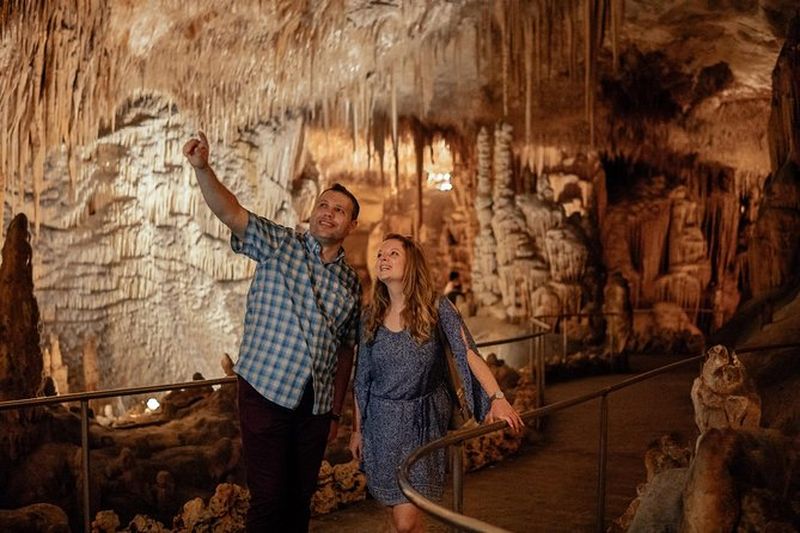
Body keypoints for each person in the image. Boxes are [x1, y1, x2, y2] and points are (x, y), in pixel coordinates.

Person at [183, 132, 361, 532]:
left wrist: (335, 409)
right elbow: (231, 213)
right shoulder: (280, 244)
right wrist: (202, 169)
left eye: (339, 211)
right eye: (323, 205)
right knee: (268, 499)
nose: (328, 213)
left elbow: (346, 350)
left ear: (351, 224)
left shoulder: (351, 283)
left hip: (314, 406)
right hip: (266, 391)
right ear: (311, 212)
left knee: (299, 501)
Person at [349, 234, 524, 533]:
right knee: (403, 520)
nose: (383, 259)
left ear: (411, 263)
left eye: (393, 253)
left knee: (406, 521)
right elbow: (362, 378)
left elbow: (467, 351)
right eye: (380, 254)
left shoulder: (436, 306)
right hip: (380, 425)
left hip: (421, 422)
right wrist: (357, 430)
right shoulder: (370, 316)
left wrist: (497, 397)